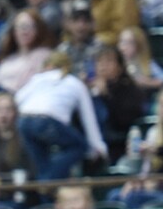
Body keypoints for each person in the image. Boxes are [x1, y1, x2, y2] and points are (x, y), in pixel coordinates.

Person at [14, 51, 106, 181]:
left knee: (43, 166)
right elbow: (88, 118)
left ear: (48, 65)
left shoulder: (37, 79)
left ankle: (45, 187)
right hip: (47, 122)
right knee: (79, 146)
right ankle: (47, 182)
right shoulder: (74, 82)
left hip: (23, 122)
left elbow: (16, 100)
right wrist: (98, 147)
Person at [88, 44, 146, 161]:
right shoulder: (89, 90)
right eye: (99, 61)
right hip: (94, 146)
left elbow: (125, 121)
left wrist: (106, 95)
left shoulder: (130, 89)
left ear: (120, 67)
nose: (103, 66)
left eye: (109, 61)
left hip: (120, 145)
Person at [116, 26, 163, 93]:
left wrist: (147, 82)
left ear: (139, 45)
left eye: (129, 42)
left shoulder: (147, 63)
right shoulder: (116, 64)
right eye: (121, 41)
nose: (123, 47)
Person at [57, 0, 99, 75]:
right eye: (76, 20)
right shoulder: (62, 50)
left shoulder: (100, 49)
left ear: (92, 24)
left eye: (86, 21)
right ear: (68, 23)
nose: (81, 26)